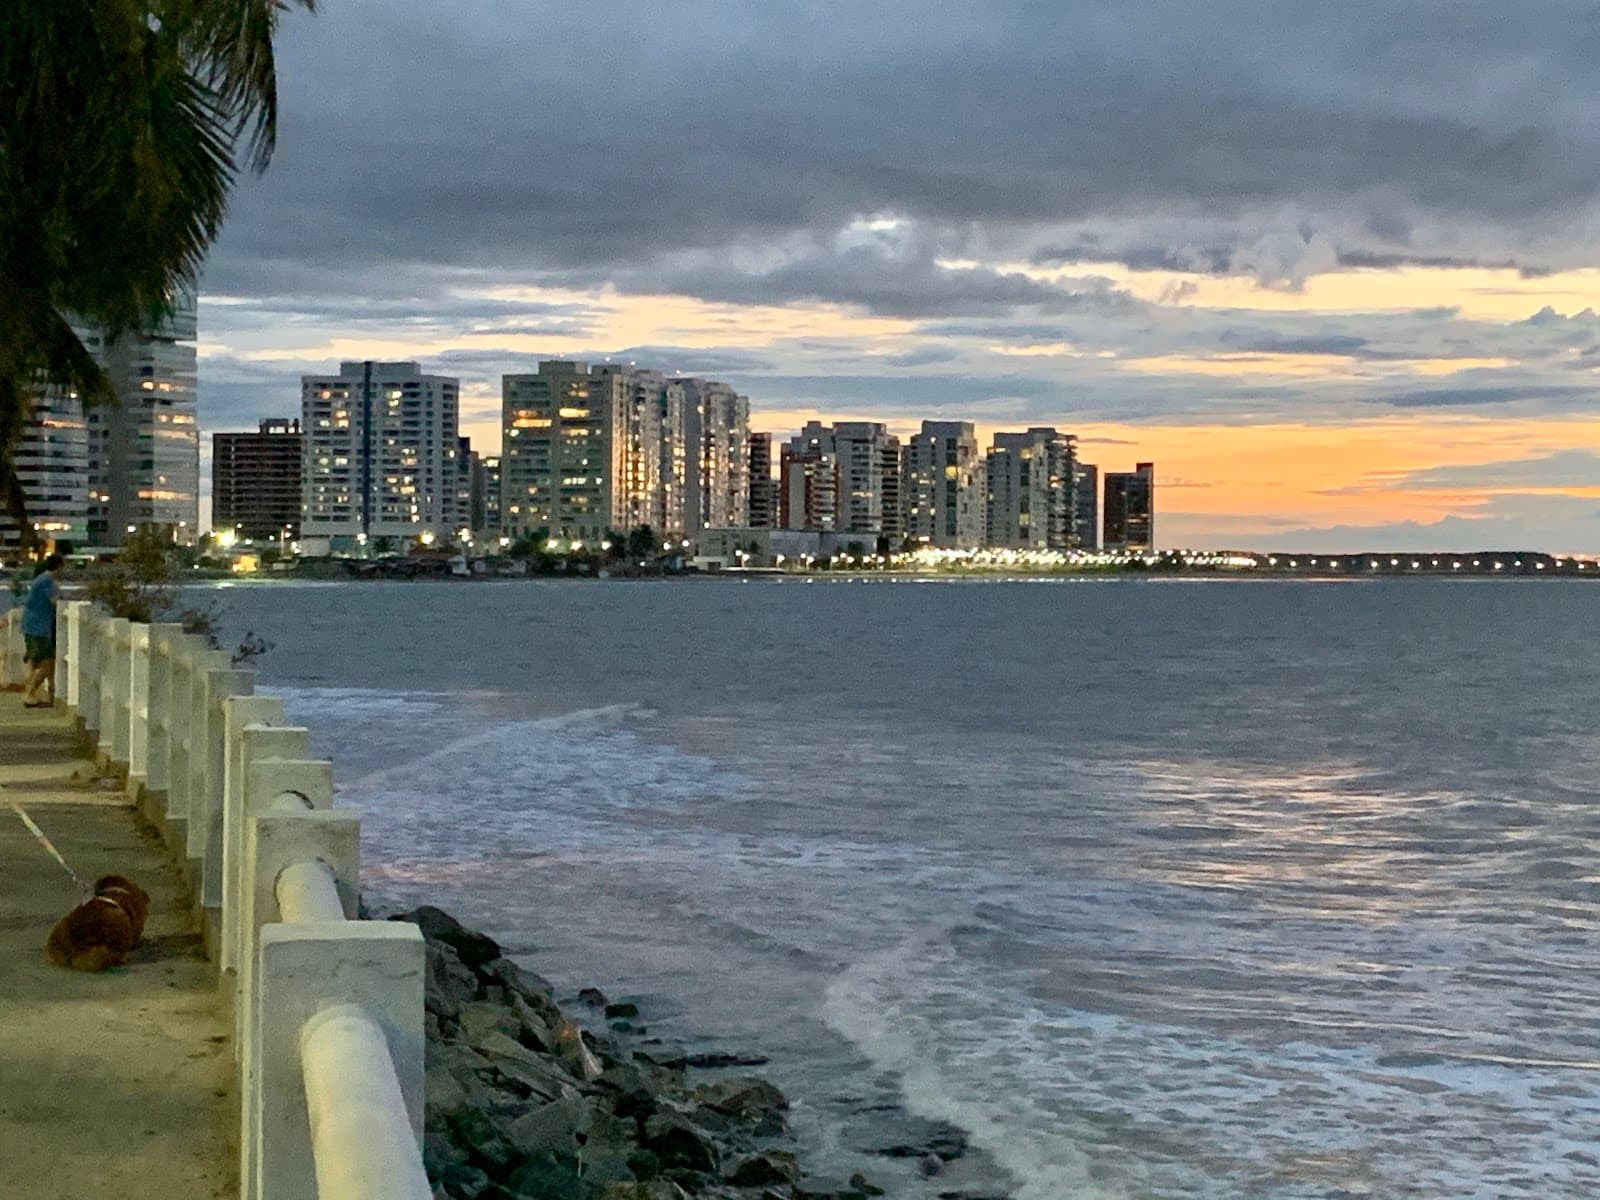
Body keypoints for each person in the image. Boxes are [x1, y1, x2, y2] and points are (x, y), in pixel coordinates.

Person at [21, 553, 64, 708]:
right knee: (48, 663)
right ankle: (29, 694)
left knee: (36, 662)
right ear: (59, 567)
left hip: (32, 625)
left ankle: (31, 694)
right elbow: (55, 601)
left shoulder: (40, 579)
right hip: (39, 627)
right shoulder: (47, 581)